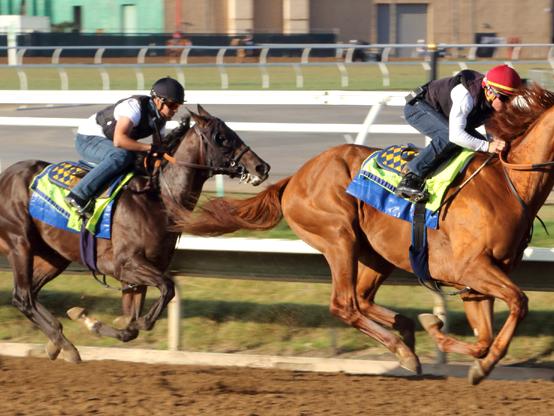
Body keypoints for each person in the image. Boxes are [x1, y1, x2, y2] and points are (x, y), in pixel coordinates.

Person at [395, 64, 522, 200]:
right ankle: (411, 176)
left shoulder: (493, 101)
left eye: (512, 99)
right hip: (418, 107)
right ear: (490, 92)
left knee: (479, 146)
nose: (509, 104)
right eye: (506, 99)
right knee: (450, 137)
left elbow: (493, 135)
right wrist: (488, 146)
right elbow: (456, 135)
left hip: (446, 117)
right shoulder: (466, 95)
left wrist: (495, 144)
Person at [65, 76, 185, 215]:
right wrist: (149, 148)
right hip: (88, 139)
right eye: (172, 105)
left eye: (178, 106)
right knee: (121, 156)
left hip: (109, 142)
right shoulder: (133, 107)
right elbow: (119, 141)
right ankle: (78, 195)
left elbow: (158, 150)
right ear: (158, 101)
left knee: (140, 161)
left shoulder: (160, 119)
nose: (174, 111)